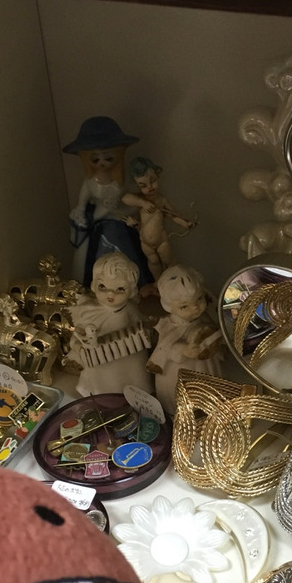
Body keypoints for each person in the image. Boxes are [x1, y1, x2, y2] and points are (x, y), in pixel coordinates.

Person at [62, 117, 153, 288]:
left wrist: (93, 219)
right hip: (96, 221)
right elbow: (84, 197)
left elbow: (111, 206)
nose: (102, 163)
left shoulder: (117, 183)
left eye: (108, 158)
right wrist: (81, 210)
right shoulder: (90, 181)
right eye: (95, 159)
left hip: (115, 220)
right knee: (87, 255)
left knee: (121, 244)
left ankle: (129, 286)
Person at [67, 252, 154, 396]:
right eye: (102, 286)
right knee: (105, 387)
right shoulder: (89, 311)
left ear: (132, 290)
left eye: (120, 289)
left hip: (129, 359)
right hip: (101, 362)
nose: (110, 294)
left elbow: (144, 326)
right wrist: (81, 347)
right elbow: (76, 337)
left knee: (134, 380)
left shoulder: (130, 309)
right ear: (94, 285)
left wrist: (147, 330)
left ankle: (136, 397)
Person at [147, 265, 224, 414]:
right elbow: (165, 348)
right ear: (169, 307)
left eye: (199, 299)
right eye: (184, 306)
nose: (195, 308)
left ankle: (208, 406)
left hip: (204, 367)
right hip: (179, 371)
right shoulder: (168, 326)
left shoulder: (205, 318)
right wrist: (183, 350)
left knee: (208, 388)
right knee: (181, 396)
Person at [121, 157, 195, 282]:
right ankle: (158, 282)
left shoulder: (161, 200)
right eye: (143, 185)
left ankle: (176, 281)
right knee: (153, 262)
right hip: (145, 242)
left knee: (169, 260)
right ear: (137, 185)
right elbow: (125, 198)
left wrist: (185, 223)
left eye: (153, 181)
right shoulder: (140, 200)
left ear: (158, 176)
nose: (150, 187)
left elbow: (173, 215)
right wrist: (143, 203)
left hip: (161, 240)